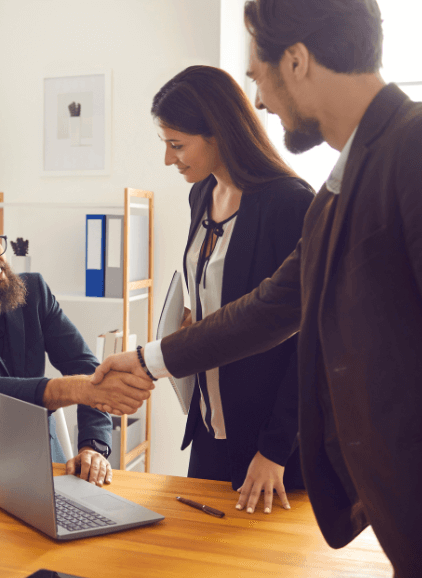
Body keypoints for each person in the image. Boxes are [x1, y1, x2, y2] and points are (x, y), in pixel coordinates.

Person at [93, 1, 422, 578]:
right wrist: (149, 360)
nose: (258, 100)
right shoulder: (337, 191)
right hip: (405, 534)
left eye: (257, 75)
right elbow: (269, 308)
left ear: (297, 61)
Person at [150, 65, 314, 512]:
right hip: (208, 429)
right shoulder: (201, 194)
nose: (169, 158)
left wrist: (276, 447)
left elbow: (311, 341)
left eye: (177, 144)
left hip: (271, 448)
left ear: (218, 133)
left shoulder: (290, 202)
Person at [0, 210, 153, 486]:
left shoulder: (34, 292)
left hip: (45, 461)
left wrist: (93, 447)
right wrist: (76, 388)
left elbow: (87, 368)